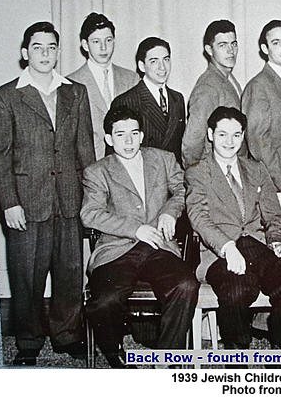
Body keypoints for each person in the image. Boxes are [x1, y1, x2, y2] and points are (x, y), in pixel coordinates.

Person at [0, 22, 95, 365]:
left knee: (69, 274)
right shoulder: (5, 96)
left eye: (51, 47)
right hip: (26, 201)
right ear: (25, 53)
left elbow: (86, 150)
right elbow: (0, 155)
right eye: (38, 47)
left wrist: (91, 199)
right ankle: (28, 340)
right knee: (26, 277)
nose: (45, 54)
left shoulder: (75, 92)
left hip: (69, 199)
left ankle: (67, 335)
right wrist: (9, 202)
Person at [81, 105, 199, 368]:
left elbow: (183, 190)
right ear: (109, 139)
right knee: (104, 302)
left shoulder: (163, 159)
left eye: (134, 133)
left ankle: (168, 358)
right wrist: (135, 229)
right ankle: (114, 352)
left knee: (186, 285)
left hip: (158, 246)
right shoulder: (97, 171)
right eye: (120, 135)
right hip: (117, 249)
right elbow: (90, 214)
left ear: (142, 136)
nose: (128, 141)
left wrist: (169, 212)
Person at [186, 107, 281, 353]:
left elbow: (273, 215)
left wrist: (278, 240)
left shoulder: (257, 169)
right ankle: (236, 359)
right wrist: (228, 247)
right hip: (219, 251)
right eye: (223, 135)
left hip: (258, 247)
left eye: (237, 135)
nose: (230, 142)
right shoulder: (198, 172)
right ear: (210, 134)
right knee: (238, 289)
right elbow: (198, 217)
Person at [68, 12, 139, 159]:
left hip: (128, 163)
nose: (103, 48)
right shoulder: (70, 84)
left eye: (108, 40)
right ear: (85, 45)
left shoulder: (131, 78)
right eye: (96, 42)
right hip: (91, 164)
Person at [241, 20, 281, 203]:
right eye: (276, 43)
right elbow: (259, 144)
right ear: (265, 49)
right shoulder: (258, 86)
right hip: (278, 187)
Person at [110, 37, 186, 164]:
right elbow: (115, 158)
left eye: (166, 60)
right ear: (142, 66)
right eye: (154, 61)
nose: (162, 67)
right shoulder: (126, 101)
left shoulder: (177, 99)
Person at [182, 20, 246, 167]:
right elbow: (192, 143)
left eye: (234, 44)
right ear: (209, 50)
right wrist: (197, 178)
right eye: (222, 45)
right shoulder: (208, 87)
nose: (231, 51)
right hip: (215, 171)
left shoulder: (229, 78)